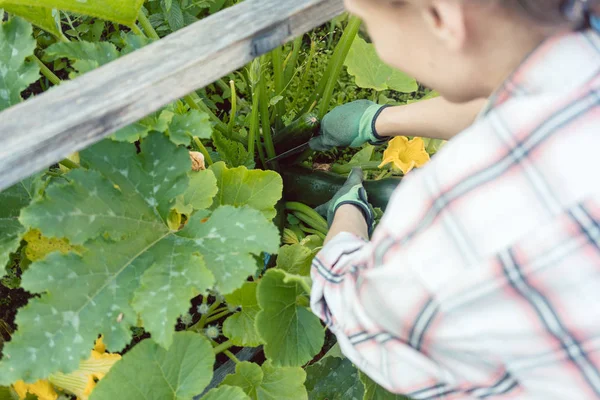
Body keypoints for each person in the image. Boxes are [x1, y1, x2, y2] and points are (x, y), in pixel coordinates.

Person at [308, 0, 600, 398]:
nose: (374, 39)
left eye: (367, 23)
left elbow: (356, 311)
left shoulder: (459, 213)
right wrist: (380, 121)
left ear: (440, 15)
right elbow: (523, 91)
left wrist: (348, 213)